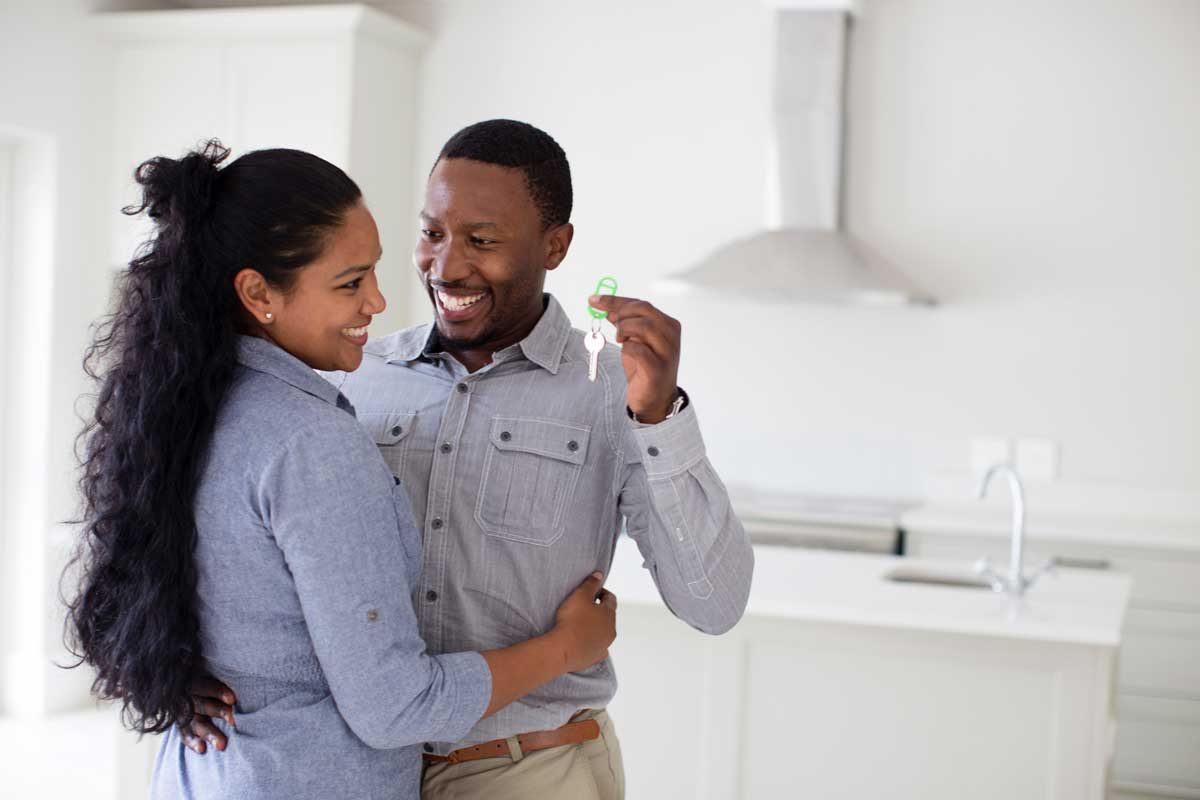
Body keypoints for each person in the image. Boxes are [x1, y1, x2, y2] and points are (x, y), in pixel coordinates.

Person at [185, 119, 755, 799]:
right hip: (362, 773)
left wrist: (657, 417)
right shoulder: (352, 374)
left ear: (556, 245)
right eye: (432, 233)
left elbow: (713, 605)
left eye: (481, 241)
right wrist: (184, 660)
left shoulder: (612, 388)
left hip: (528, 769)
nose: (446, 267)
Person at [65, 140, 617, 800]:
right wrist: (566, 647)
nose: (378, 304)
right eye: (350, 283)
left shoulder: (179, 413)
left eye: (376, 273)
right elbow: (395, 708)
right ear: (257, 293)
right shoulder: (311, 443)